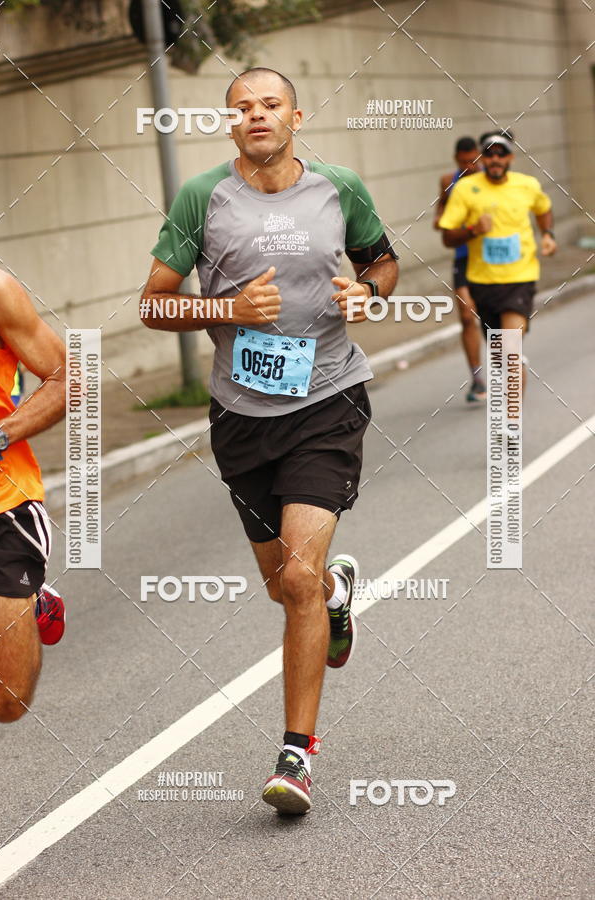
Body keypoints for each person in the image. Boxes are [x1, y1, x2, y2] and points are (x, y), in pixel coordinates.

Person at [141, 67, 399, 814]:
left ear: (296, 114)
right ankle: (336, 599)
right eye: (243, 107)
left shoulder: (338, 186)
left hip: (328, 399)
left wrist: (371, 291)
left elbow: (380, 259)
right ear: (229, 123)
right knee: (288, 590)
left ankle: (296, 755)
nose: (257, 115)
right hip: (240, 416)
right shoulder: (202, 198)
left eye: (270, 104)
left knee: (295, 578)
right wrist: (228, 307)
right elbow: (151, 304)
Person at [0, 267, 66, 723]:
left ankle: (32, 599)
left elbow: (66, 378)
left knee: (8, 701)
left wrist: (1, 435)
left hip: (4, 505)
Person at [438, 129, 556, 391]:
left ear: (511, 158)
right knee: (500, 352)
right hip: (482, 281)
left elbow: (544, 207)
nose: (495, 160)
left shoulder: (527, 185)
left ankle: (511, 426)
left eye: (501, 155)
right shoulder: (465, 189)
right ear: (482, 159)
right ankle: (485, 376)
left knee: (510, 352)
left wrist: (547, 234)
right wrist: (472, 230)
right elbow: (446, 236)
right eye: (489, 155)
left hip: (520, 279)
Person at [434, 136, 485, 402]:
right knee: (467, 317)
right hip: (464, 257)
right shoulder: (448, 181)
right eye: (464, 162)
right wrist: (447, 221)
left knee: (494, 319)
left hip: (490, 259)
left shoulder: (490, 179)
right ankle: (477, 379)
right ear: (457, 160)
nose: (470, 166)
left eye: (473, 161)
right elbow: (439, 217)